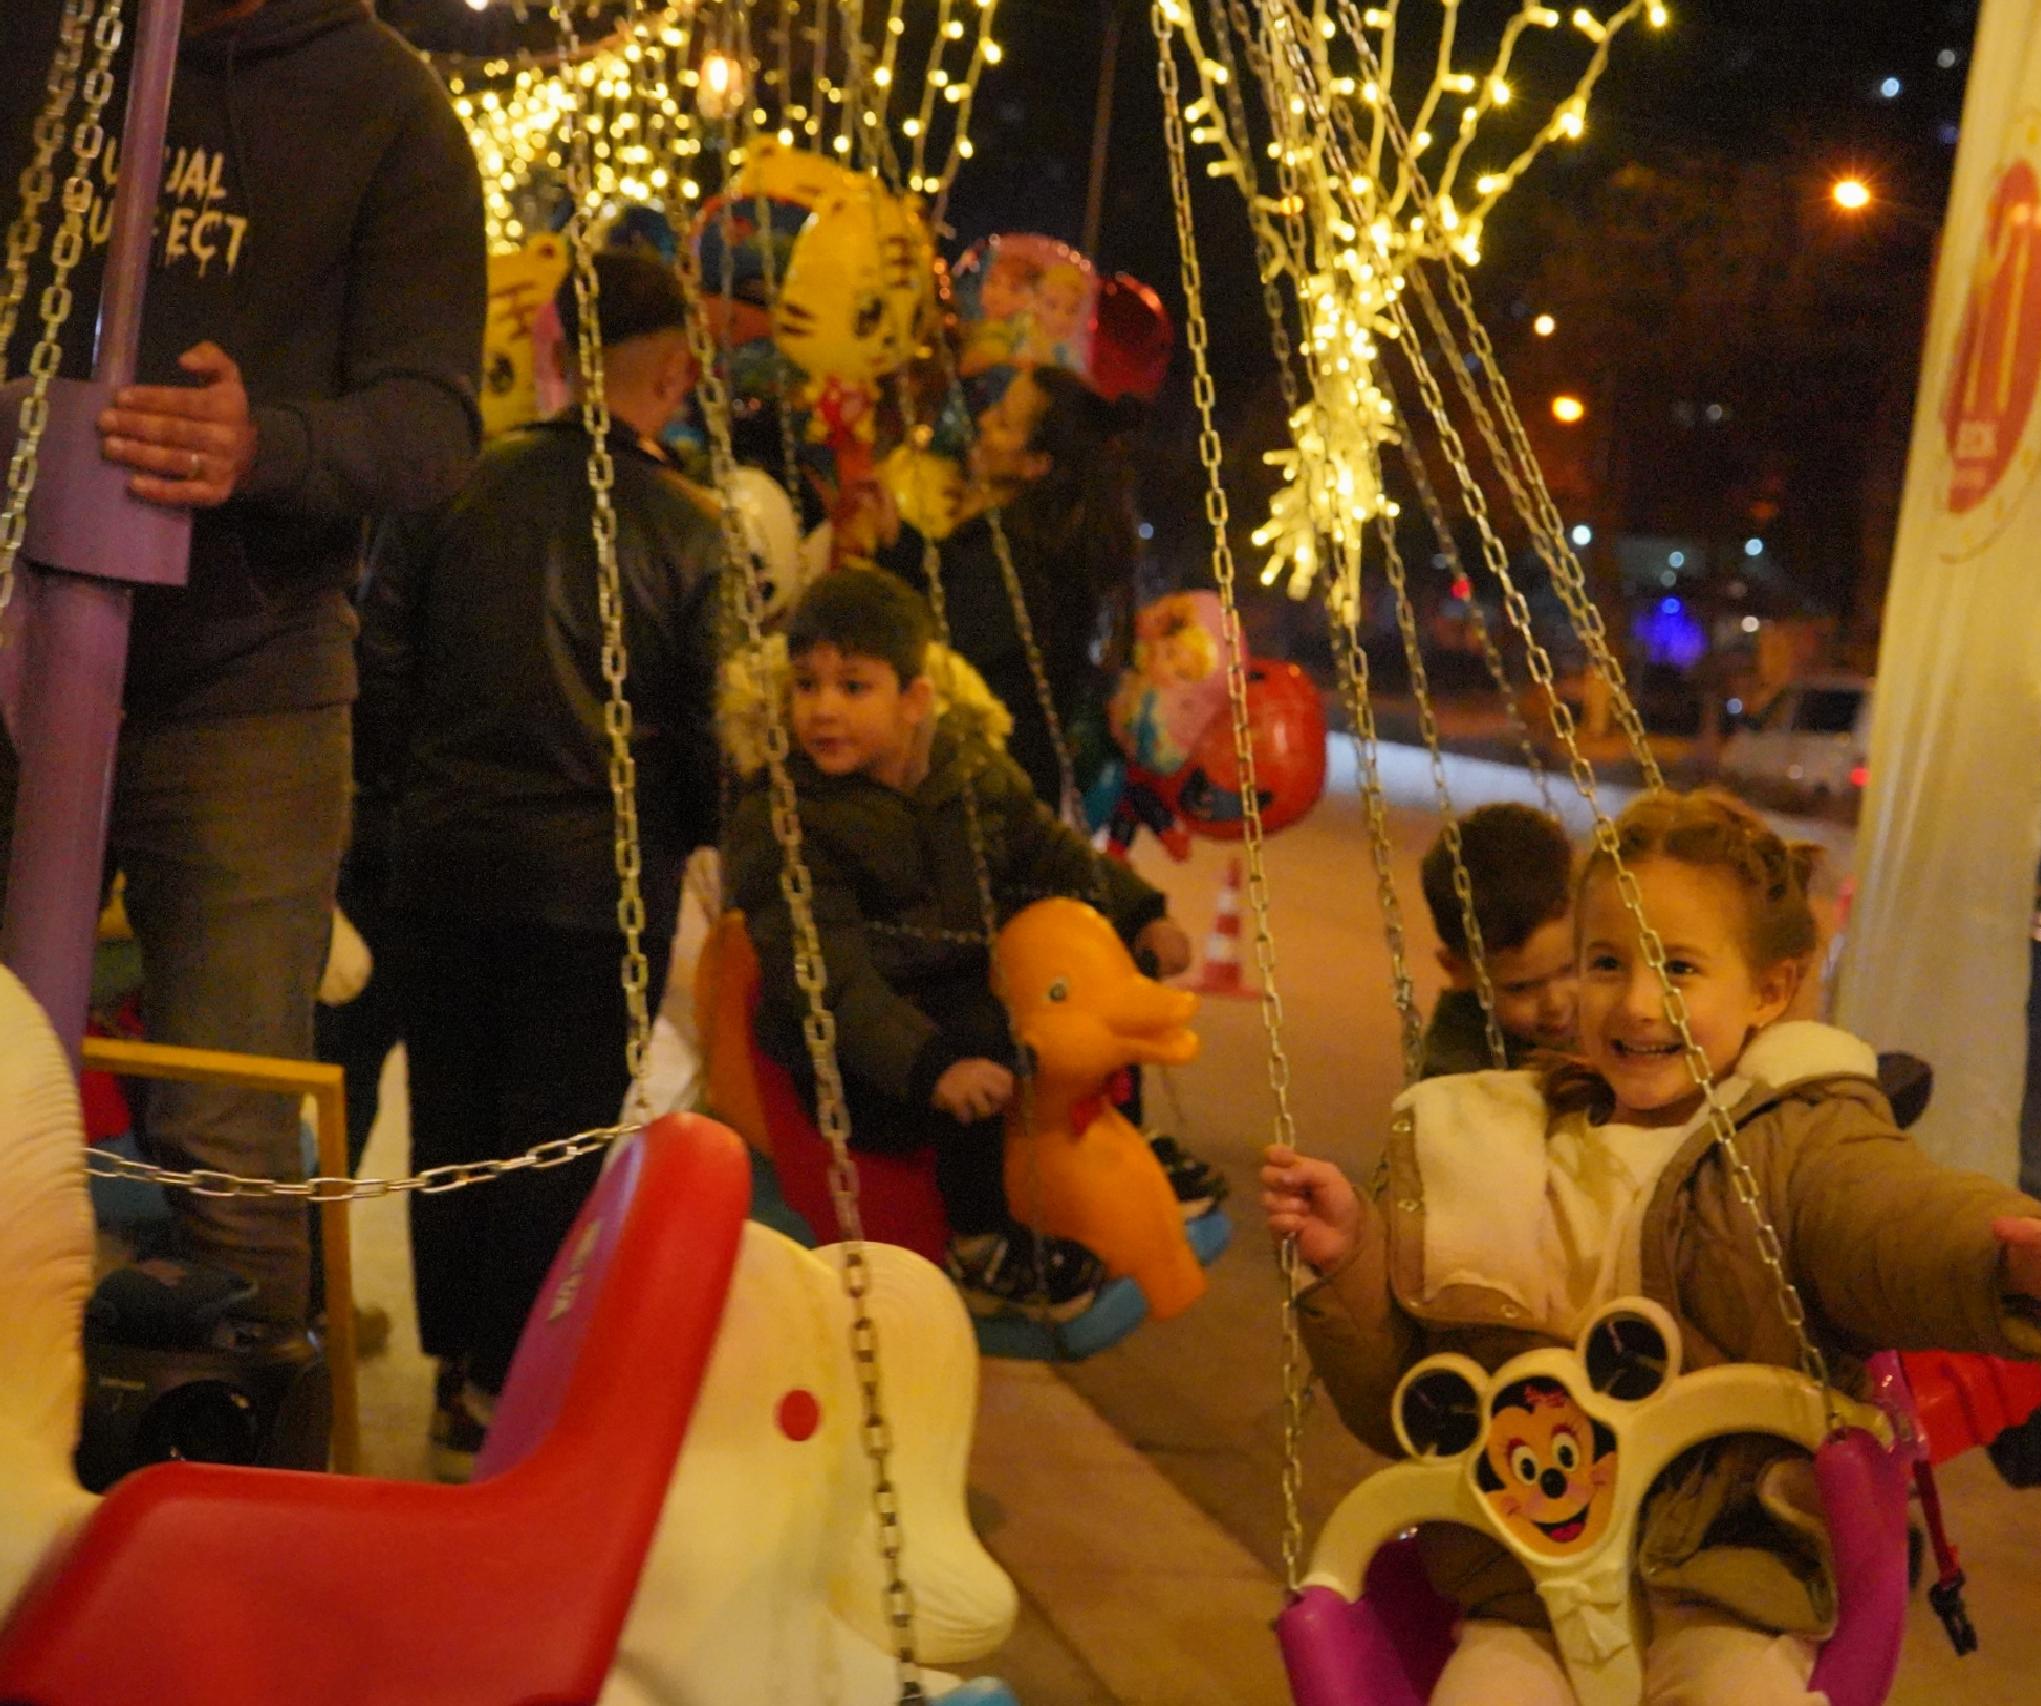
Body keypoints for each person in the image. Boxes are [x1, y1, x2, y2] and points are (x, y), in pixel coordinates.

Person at [1261, 789, 2041, 1705]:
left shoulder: (1794, 1138)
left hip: (1731, 1571)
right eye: (1605, 964)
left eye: (1677, 968)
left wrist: (2018, 1258)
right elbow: (1408, 1401)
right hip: (1530, 1583)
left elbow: (1889, 1220)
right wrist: (1347, 1263)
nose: (1637, 1005)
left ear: (1770, 988)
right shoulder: (1514, 1149)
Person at [0, 0, 484, 1327]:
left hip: (244, 678)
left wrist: (263, 445)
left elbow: (435, 419)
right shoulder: (41, 43)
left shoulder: (384, 105)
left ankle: (232, 1467)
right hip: (14, 638)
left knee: (227, 1123)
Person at [357, 247, 724, 1478]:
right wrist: (690, 834)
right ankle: (505, 1383)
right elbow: (712, 728)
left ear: (558, 353)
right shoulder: (690, 527)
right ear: (674, 369)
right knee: (553, 1139)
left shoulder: (459, 485)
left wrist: (413, 798)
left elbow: (380, 672)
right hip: (595, 886)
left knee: (451, 1126)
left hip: (445, 861)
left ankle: (456, 1367)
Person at [724, 568, 1196, 1319]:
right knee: (988, 1036)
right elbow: (825, 975)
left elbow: (1052, 853)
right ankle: (980, 1245)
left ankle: (1121, 1145)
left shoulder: (967, 775)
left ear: (915, 701)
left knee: (1074, 997)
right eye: (807, 686)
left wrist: (1141, 913)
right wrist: (929, 1065)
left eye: (853, 687)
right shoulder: (787, 815)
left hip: (944, 996)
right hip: (848, 1050)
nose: (823, 710)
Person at [879, 365, 1139, 808]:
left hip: (983, 805)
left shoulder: (1016, 559)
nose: (982, 422)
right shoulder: (1034, 548)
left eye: (1002, 421)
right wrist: (894, 536)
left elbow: (944, 638)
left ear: (1035, 464)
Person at [1417, 802, 1578, 1079]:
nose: (1555, 1004)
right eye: (1520, 988)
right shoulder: (1456, 1074)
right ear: (1456, 969)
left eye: (1571, 968)